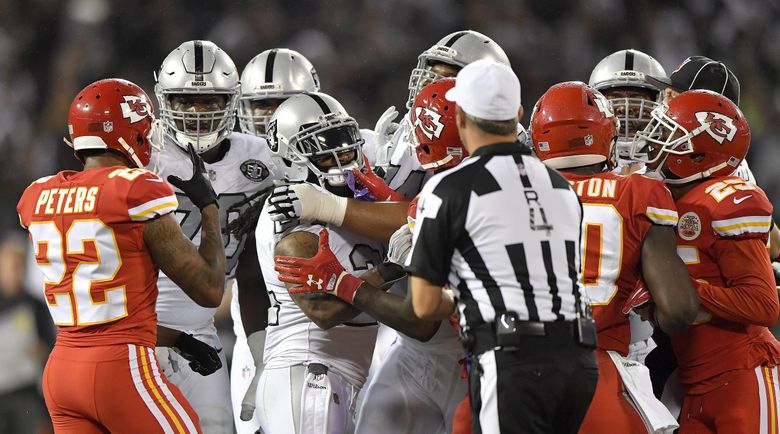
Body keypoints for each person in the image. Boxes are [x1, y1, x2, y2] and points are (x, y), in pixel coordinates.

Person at [16, 78, 226, 433]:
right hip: (120, 369)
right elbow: (208, 289)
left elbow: (98, 317)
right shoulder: (134, 191)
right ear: (134, 133)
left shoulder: (39, 195)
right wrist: (208, 207)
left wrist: (178, 339)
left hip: (62, 372)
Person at [406, 59, 597, 433]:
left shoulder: (448, 188)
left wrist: (469, 293)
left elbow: (423, 304)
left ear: (460, 116)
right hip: (580, 362)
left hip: (514, 359)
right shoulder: (561, 186)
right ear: (519, 114)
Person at [274, 79, 469, 434]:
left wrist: (343, 282)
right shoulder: (287, 219)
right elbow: (323, 312)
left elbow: (421, 320)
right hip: (350, 363)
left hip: (465, 356)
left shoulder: (450, 195)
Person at [530, 81, 699, 433]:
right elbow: (679, 311)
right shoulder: (638, 191)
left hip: (513, 364)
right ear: (604, 133)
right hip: (597, 368)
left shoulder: (505, 191)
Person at [267, 30, 515, 244]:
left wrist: (326, 206)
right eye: (428, 77)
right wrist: (388, 194)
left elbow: (433, 225)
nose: (427, 90)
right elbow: (420, 214)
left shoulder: (502, 152)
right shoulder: (412, 127)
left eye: (444, 83)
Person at [632, 89, 780, 433]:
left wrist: (686, 290)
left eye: (668, 135)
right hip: (693, 383)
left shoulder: (725, 201)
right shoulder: (664, 199)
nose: (655, 143)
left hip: (743, 374)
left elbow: (763, 305)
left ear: (698, 155)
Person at [152, 40, 281, 434]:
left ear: (232, 100)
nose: (196, 112)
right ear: (163, 100)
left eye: (209, 100)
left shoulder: (261, 158)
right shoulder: (144, 153)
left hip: (202, 329)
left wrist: (260, 354)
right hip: (139, 324)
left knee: (217, 426)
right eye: (184, 100)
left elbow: (256, 267)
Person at [254, 92, 384, 434]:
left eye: (344, 144)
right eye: (323, 150)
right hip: (310, 368)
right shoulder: (286, 213)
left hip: (357, 372)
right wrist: (390, 271)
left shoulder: (358, 199)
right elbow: (324, 311)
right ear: (290, 157)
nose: (341, 157)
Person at [232, 47, 320, 433]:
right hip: (257, 341)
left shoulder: (333, 159)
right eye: (260, 107)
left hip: (330, 341)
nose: (270, 119)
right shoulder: (234, 168)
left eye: (280, 105)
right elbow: (249, 278)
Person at [0, 232, 54, 434]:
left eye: (17, 265)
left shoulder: (35, 305)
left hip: (27, 392)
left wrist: (40, 350)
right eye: (8, 266)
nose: (13, 271)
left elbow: (50, 345)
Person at [588, 49, 667, 174]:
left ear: (658, 102)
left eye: (635, 97)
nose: (624, 108)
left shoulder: (671, 164)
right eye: (616, 97)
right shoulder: (584, 162)